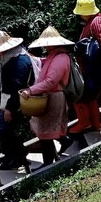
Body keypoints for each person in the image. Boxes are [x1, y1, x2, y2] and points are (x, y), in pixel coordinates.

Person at [65, 0, 101, 149]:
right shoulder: (93, 21)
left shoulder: (97, 22)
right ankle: (95, 123)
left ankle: (84, 122)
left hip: (94, 68)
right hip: (92, 68)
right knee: (91, 96)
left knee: (81, 94)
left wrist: (89, 52)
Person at [20, 26, 74, 168]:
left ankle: (48, 163)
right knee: (46, 130)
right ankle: (63, 142)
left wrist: (30, 90)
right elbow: (44, 63)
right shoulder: (54, 56)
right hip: (50, 96)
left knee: (46, 132)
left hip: (54, 97)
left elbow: (51, 82)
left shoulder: (61, 58)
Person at [0, 30, 35, 171]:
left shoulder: (19, 61)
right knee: (5, 128)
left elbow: (18, 86)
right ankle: (15, 157)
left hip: (17, 102)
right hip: (10, 100)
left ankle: (15, 155)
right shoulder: (10, 58)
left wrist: (10, 109)